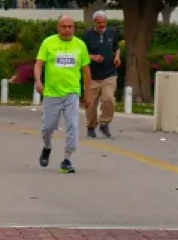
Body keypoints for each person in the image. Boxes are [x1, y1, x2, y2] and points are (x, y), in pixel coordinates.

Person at [33, 13, 91, 173]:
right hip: (52, 93)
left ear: (74, 28)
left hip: (72, 93)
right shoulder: (48, 42)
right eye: (64, 27)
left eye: (70, 27)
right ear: (58, 28)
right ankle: (47, 147)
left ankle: (67, 159)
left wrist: (88, 94)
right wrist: (38, 81)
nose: (67, 30)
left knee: (73, 125)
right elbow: (38, 64)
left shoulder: (80, 45)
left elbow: (86, 71)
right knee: (48, 127)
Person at [83, 10, 121, 138]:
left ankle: (104, 123)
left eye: (104, 22)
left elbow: (117, 48)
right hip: (92, 76)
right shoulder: (87, 36)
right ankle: (91, 126)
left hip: (110, 74)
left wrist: (117, 57)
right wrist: (93, 57)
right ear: (94, 22)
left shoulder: (112, 33)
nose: (102, 25)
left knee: (109, 98)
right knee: (91, 104)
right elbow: (81, 54)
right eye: (99, 22)